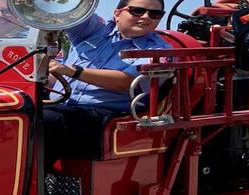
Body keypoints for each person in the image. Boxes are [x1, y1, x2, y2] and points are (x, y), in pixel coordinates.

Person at [42, 0, 172, 166]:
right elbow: (72, 11)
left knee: (42, 120)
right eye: (137, 11)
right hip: (61, 105)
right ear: (117, 13)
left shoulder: (160, 51)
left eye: (155, 14)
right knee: (17, 110)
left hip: (105, 119)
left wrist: (72, 71)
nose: (146, 17)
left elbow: (127, 82)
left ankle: (31, 187)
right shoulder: (95, 30)